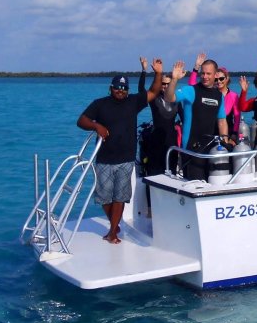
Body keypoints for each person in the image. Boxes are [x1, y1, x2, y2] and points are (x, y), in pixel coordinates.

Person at [77, 59, 162, 244]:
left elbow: (154, 91)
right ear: (111, 88)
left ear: (127, 90)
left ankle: (112, 232)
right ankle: (114, 225)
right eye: (117, 87)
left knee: (120, 197)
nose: (120, 91)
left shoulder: (133, 102)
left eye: (124, 88)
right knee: (104, 198)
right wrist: (96, 126)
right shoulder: (99, 104)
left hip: (126, 158)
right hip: (104, 159)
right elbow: (81, 120)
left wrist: (158, 73)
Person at [165, 59, 229, 180]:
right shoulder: (191, 90)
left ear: (216, 75)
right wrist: (174, 79)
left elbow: (222, 121)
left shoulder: (219, 96)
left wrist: (225, 142)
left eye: (208, 73)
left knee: (214, 182)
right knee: (196, 184)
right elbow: (169, 98)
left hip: (211, 149)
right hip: (191, 149)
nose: (205, 76)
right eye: (203, 73)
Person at [140, 58, 182, 215]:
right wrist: (144, 71)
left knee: (171, 176)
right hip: (155, 142)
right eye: (163, 84)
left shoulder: (177, 101)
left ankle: (170, 208)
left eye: (167, 84)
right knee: (152, 176)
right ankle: (151, 209)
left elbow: (186, 120)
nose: (164, 86)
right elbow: (141, 90)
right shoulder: (154, 99)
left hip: (171, 143)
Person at [188, 53, 241, 139]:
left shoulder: (233, 95)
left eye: (221, 79)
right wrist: (196, 68)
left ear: (227, 78)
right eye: (216, 79)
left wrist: (234, 134)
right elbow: (191, 86)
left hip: (227, 133)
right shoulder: (210, 94)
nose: (219, 81)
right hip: (210, 132)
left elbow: (237, 116)